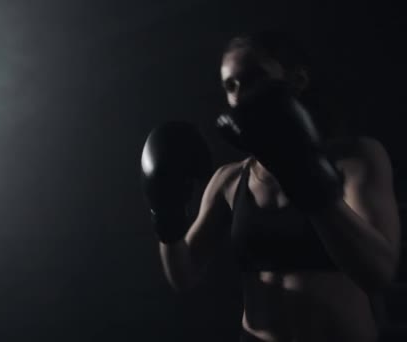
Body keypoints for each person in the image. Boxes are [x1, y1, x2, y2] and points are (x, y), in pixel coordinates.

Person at [140, 30, 401, 342]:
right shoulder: (230, 179)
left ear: (297, 80)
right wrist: (166, 213)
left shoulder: (355, 159)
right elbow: (183, 275)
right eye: (230, 85)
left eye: (254, 77)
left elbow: (379, 273)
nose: (240, 94)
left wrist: (304, 174)